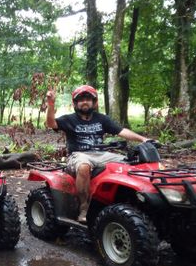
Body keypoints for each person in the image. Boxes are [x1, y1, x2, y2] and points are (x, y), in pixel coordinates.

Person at [46, 85, 150, 223]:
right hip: (78, 155)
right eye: (81, 99)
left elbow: (122, 131)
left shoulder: (102, 119)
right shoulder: (69, 119)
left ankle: (136, 201)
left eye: (88, 99)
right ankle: (84, 208)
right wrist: (51, 104)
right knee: (83, 166)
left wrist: (144, 139)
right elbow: (51, 123)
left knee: (132, 161)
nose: (85, 102)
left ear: (94, 102)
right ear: (75, 103)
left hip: (101, 154)